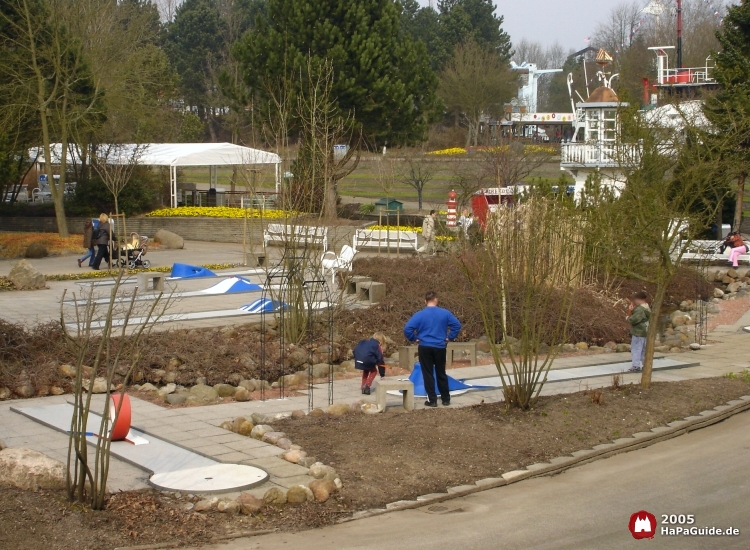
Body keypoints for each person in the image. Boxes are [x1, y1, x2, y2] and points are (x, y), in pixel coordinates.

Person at [403, 291, 462, 407]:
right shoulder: (445, 313)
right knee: (441, 372)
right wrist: (449, 337)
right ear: (436, 300)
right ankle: (445, 399)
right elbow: (457, 325)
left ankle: (432, 400)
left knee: (428, 373)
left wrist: (414, 338)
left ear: (425, 301)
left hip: (425, 346)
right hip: (440, 346)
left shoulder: (420, 314)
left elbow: (407, 329)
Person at [626, 291, 651, 372]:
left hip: (639, 331)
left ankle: (636, 365)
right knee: (643, 349)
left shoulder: (640, 309)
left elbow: (633, 320)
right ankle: (645, 364)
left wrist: (628, 316)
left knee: (636, 348)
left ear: (639, 299)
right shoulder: (647, 307)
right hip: (645, 330)